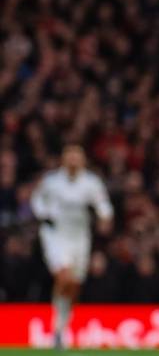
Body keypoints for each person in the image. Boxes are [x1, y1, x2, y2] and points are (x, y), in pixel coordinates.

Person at [30, 144, 114, 349]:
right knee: (64, 276)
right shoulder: (52, 182)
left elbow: (103, 204)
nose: (73, 160)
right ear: (64, 159)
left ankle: (61, 328)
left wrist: (105, 218)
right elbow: (37, 200)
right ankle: (57, 328)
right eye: (70, 156)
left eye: (77, 156)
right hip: (56, 234)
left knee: (74, 286)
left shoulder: (91, 183)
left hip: (80, 237)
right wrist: (43, 214)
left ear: (83, 160)